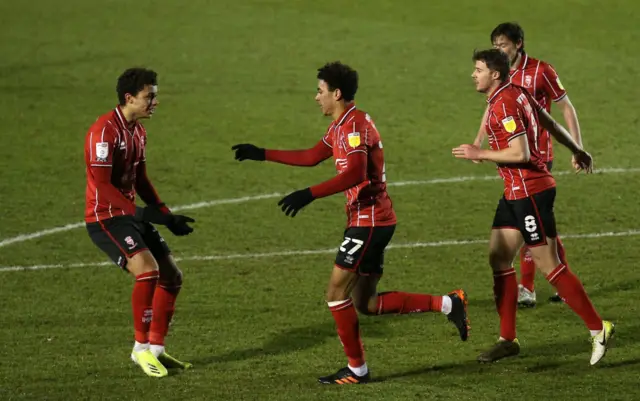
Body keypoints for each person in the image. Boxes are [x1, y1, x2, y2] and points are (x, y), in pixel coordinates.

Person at [232, 61, 469, 384]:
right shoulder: (341, 124)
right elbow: (313, 155)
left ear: (336, 93)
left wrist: (309, 194)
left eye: (320, 91)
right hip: (372, 219)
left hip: (369, 221)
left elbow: (356, 173)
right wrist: (261, 153)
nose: (316, 97)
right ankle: (448, 303)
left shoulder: (355, 126)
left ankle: (357, 369)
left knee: (335, 291)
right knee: (366, 303)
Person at [452, 49, 614, 365]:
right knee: (499, 258)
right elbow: (550, 122)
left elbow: (520, 153)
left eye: (478, 69)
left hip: (530, 192)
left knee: (548, 264)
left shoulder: (505, 104)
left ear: (495, 74)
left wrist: (479, 153)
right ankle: (507, 339)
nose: (474, 74)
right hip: (514, 192)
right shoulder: (517, 92)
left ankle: (599, 329)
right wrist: (577, 149)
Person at [84, 67, 195, 377]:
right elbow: (102, 184)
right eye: (149, 97)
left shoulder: (137, 132)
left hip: (129, 215)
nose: (154, 102)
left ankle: (156, 349)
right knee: (147, 271)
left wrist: (166, 215)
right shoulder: (103, 132)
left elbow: (141, 180)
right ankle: (139, 349)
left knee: (172, 275)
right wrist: (141, 213)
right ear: (129, 98)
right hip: (106, 217)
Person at [473, 22, 585, 306]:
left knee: (529, 221)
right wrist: (479, 141)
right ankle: (560, 279)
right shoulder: (503, 76)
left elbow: (563, 108)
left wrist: (577, 147)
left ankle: (528, 287)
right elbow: (491, 107)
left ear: (518, 44)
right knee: (541, 223)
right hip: (514, 154)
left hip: (537, 156)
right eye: (496, 45)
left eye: (503, 45)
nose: (499, 50)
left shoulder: (540, 70)